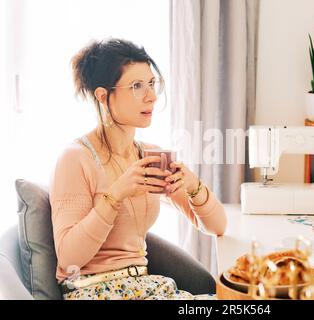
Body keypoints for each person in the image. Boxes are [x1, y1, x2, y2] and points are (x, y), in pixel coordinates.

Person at [49, 38, 227, 300]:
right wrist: (116, 195)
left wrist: (193, 186)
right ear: (103, 96)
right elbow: (68, 258)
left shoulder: (149, 155)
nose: (151, 96)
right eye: (136, 86)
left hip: (145, 289)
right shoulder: (75, 158)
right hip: (94, 292)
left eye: (152, 83)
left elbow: (218, 226)